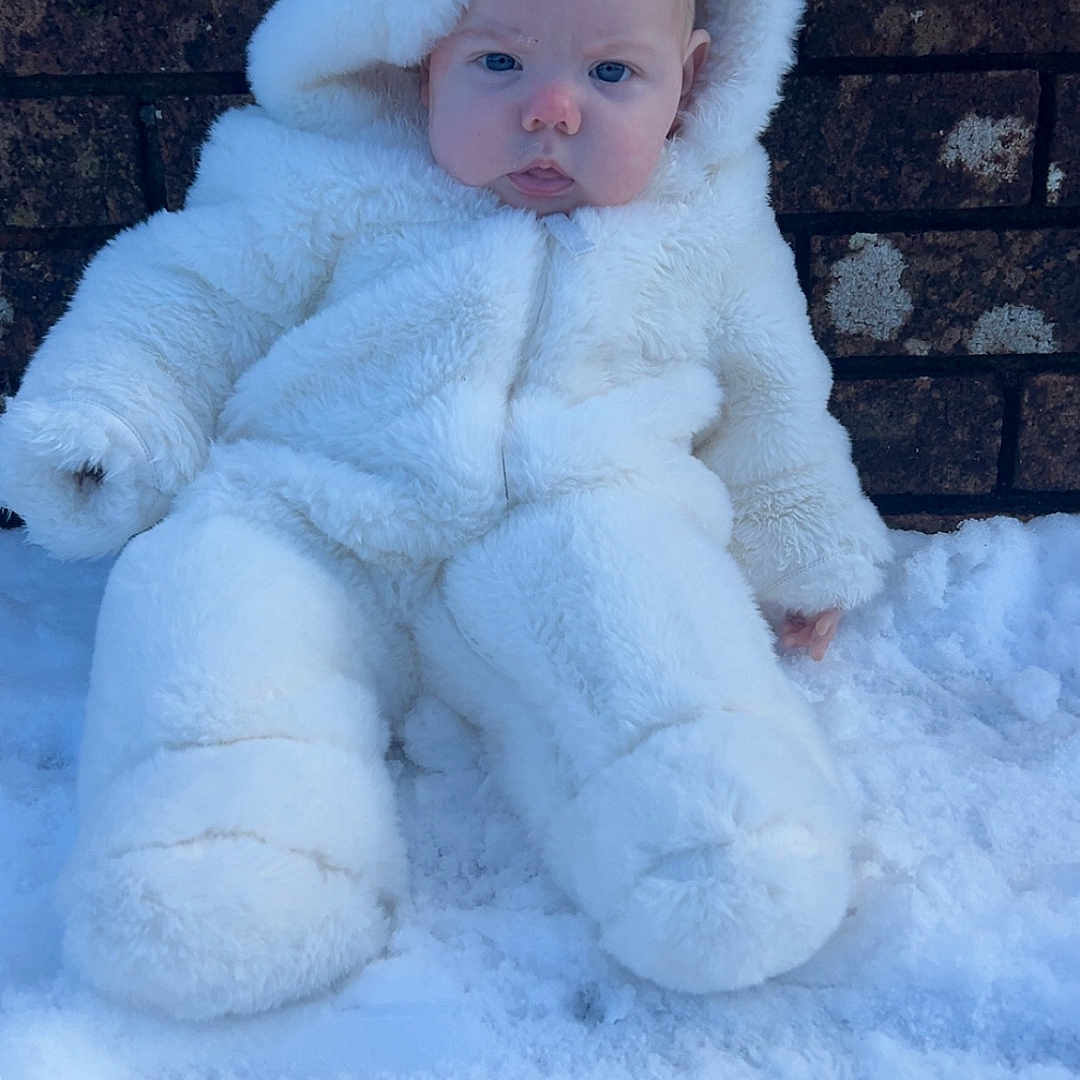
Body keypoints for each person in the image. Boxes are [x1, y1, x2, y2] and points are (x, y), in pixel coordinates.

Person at [0, 0, 892, 1019]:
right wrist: (110, 411)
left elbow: (770, 389)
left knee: (645, 601)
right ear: (422, 61)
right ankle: (225, 843)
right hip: (313, 507)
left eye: (611, 76)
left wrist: (802, 551)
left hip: (570, 518)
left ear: (691, 80)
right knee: (207, 589)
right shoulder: (316, 169)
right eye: (501, 62)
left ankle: (710, 823)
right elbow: (186, 295)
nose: (550, 110)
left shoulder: (708, 214)